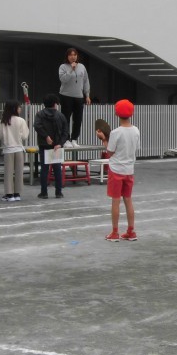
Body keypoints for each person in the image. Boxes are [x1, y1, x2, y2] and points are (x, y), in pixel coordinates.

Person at [100, 99, 140, 242]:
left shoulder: (116, 132)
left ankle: (115, 232)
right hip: (129, 170)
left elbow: (109, 152)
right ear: (131, 113)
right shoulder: (136, 130)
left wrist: (103, 139)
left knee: (115, 201)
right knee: (128, 200)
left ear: (116, 114)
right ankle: (131, 231)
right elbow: (136, 148)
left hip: (116, 169)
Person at [33, 94, 69, 199]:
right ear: (55, 104)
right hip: (57, 146)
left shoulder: (39, 114)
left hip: (44, 145)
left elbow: (37, 126)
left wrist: (46, 136)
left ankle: (44, 192)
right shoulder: (61, 116)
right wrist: (60, 143)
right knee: (57, 169)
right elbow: (65, 132)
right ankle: (59, 192)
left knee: (44, 169)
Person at [0, 100, 30, 202]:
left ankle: (9, 194)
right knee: (19, 172)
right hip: (19, 149)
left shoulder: (3, 121)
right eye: (19, 107)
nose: (20, 109)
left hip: (8, 150)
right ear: (14, 108)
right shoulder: (21, 120)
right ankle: (17, 194)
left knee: (8, 173)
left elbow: (0, 135)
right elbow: (25, 136)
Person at [58, 48, 91, 148]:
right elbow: (63, 79)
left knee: (78, 118)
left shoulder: (82, 67)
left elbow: (86, 81)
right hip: (66, 95)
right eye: (71, 55)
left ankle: (74, 139)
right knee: (66, 118)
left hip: (79, 96)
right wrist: (71, 70)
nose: (73, 57)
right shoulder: (63, 67)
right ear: (67, 56)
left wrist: (87, 95)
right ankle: (66, 139)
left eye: (75, 55)